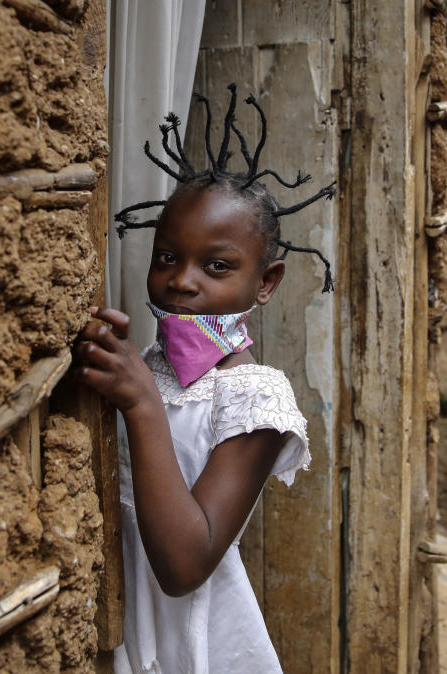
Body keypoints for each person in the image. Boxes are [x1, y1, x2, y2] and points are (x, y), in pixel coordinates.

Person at [75, 85, 335, 673]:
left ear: (265, 283)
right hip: (119, 622)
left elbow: (184, 566)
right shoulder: (151, 363)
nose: (183, 281)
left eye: (217, 266)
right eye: (167, 257)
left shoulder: (254, 401)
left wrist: (140, 404)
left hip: (194, 642)